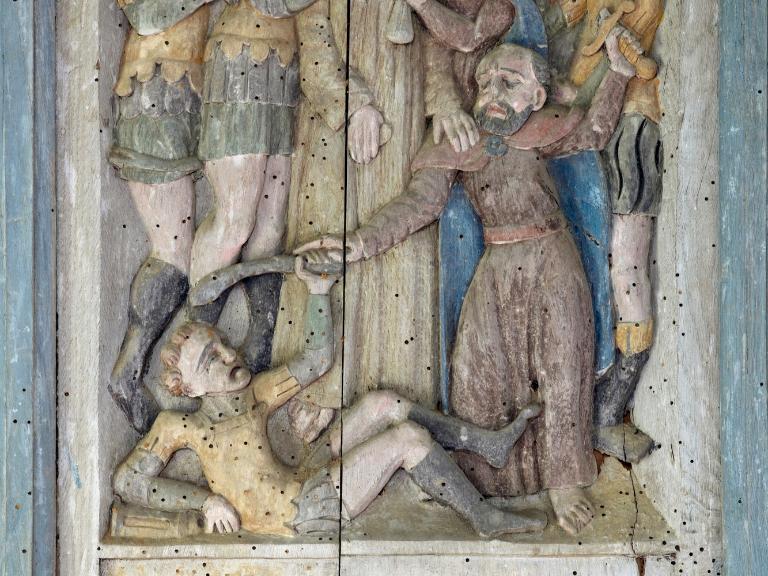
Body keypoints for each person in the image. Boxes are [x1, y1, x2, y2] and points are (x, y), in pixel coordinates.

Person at [298, 28, 640, 534]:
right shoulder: (460, 141)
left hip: (552, 260)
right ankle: (485, 480)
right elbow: (420, 203)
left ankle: (564, 482)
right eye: (486, 83)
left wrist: (618, 73)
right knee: (476, 372)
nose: (494, 92)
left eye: (510, 82)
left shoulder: (546, 128)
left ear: (537, 97)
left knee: (563, 366)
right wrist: (361, 243)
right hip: (496, 268)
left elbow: (593, 131)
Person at [112, 253, 546, 538]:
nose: (229, 356)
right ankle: (481, 516)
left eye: (224, 344)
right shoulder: (180, 425)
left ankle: (483, 444)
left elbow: (317, 360)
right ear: (188, 388)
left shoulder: (256, 393)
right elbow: (128, 481)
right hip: (301, 511)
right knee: (409, 439)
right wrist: (205, 500)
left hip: (305, 477)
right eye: (211, 360)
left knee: (383, 404)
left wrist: (318, 292)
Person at [545, 0, 665, 462]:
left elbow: (640, 61)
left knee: (626, 268)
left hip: (627, 126)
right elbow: (555, 27)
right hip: (571, 130)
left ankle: (610, 407)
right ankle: (575, 404)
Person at [108, 1, 211, 432]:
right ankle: (128, 374)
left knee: (179, 252)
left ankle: (133, 368)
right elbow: (146, 14)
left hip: (180, 95)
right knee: (172, 252)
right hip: (155, 94)